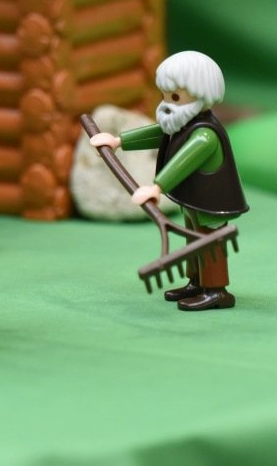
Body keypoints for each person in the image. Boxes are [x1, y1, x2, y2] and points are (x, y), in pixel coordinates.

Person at [90, 51, 249, 311]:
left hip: (211, 203)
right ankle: (196, 283)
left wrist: (157, 187)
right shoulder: (183, 122)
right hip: (193, 199)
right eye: (164, 96)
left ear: (202, 94)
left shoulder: (205, 136)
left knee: (209, 242)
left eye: (174, 97)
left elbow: (182, 162)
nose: (166, 104)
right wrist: (118, 141)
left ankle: (216, 291)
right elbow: (158, 132)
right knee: (193, 241)